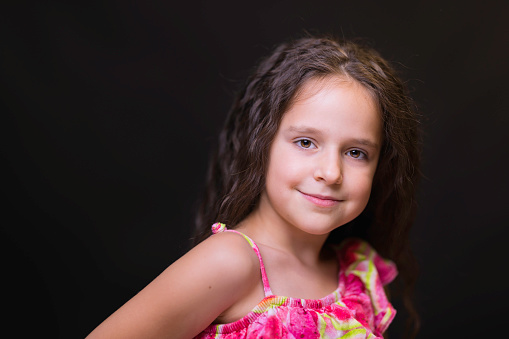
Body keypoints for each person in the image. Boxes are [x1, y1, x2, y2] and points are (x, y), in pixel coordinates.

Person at [87, 35, 421, 338]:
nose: (331, 173)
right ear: (261, 143)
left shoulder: (356, 273)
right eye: (305, 142)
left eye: (355, 152)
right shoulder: (229, 262)